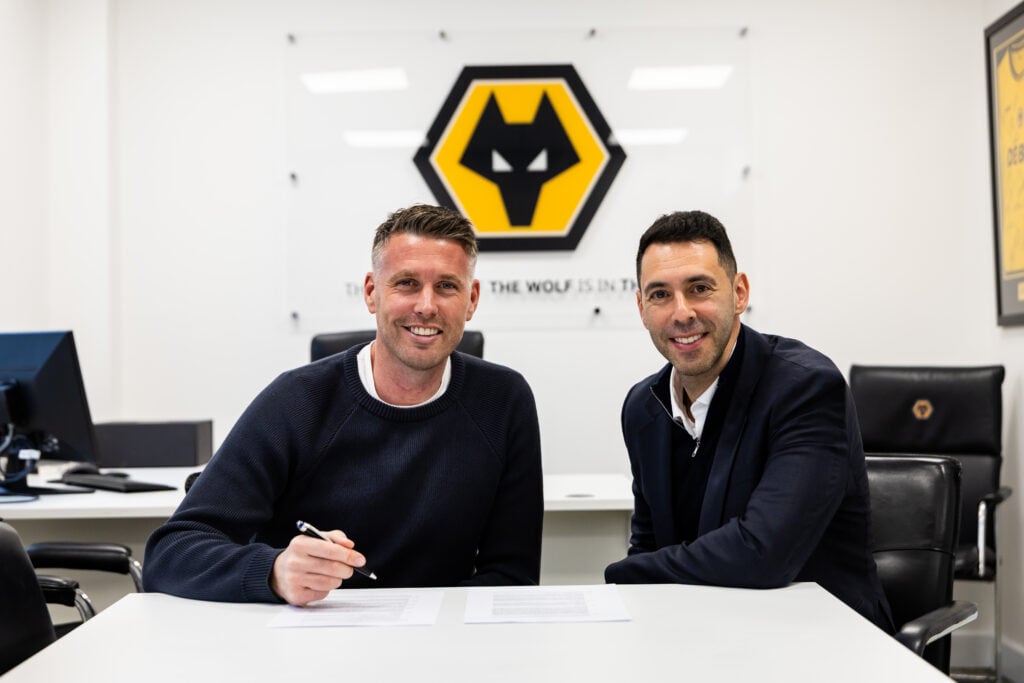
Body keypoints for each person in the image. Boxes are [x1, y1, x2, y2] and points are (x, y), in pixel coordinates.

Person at [145, 204, 543, 606]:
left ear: (471, 299)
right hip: (308, 647)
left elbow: (513, 575)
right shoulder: (296, 400)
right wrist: (274, 571)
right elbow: (171, 553)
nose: (426, 305)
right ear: (372, 293)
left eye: (447, 286)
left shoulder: (504, 401)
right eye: (406, 283)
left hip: (440, 647)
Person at [604, 210, 893, 633]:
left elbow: (764, 552)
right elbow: (648, 543)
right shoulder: (642, 407)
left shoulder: (806, 389)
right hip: (704, 634)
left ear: (739, 293)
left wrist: (621, 574)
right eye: (660, 295)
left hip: (824, 640)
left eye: (699, 288)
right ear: (642, 308)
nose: (681, 313)